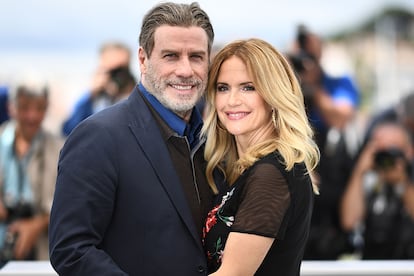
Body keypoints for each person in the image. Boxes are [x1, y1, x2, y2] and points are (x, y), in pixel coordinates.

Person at [49, 2, 215, 275]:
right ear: (143, 59)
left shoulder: (212, 139)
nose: (185, 70)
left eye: (196, 56)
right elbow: (71, 249)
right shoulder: (99, 137)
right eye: (171, 56)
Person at [201, 38, 320, 275]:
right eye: (222, 88)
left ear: (273, 94)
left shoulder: (271, 174)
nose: (232, 100)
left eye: (248, 87)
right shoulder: (245, 170)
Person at [288, 25, 360, 259]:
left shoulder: (338, 83)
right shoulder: (286, 84)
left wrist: (313, 84)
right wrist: (289, 74)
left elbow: (341, 117)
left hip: (330, 173)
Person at [0, 80, 64, 266]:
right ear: (11, 107)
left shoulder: (60, 149)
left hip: (41, 253)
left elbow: (71, 203)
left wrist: (39, 224)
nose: (32, 116)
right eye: (24, 108)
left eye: (40, 108)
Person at [340, 122, 414, 259]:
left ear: (409, 151)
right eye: (380, 149)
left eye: (393, 149)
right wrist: (359, 171)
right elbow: (349, 221)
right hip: (372, 262)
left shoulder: (410, 178)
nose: (386, 157)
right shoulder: (368, 179)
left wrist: (402, 183)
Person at [61, 41, 132, 136]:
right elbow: (69, 131)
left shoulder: (138, 95)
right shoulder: (92, 99)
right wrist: (91, 94)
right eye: (111, 71)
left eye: (121, 70)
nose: (117, 76)